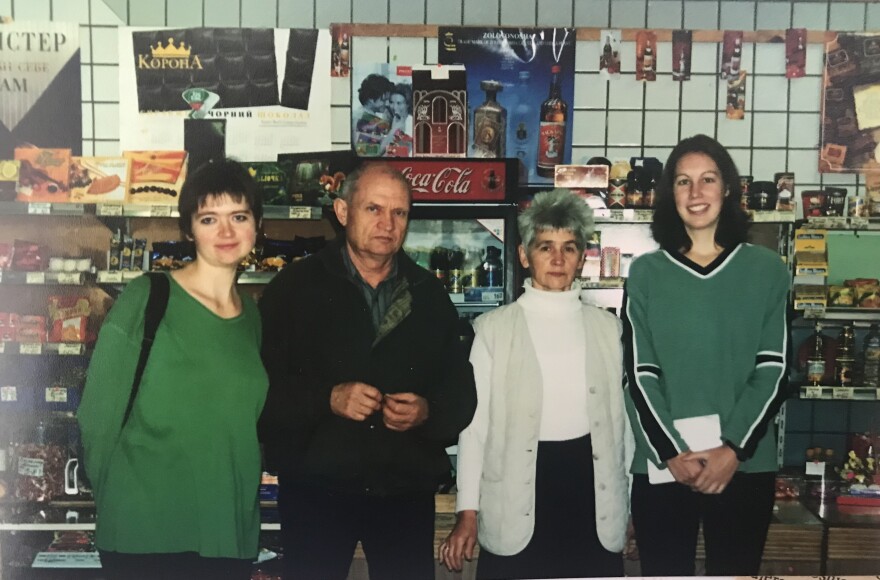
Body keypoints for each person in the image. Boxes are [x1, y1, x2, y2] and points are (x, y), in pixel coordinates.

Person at [259, 162, 477, 580]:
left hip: (403, 491)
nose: (387, 224)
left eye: (399, 213)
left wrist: (427, 412)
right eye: (373, 209)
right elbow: (261, 390)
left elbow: (461, 393)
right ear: (343, 212)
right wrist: (327, 398)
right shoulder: (294, 288)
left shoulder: (428, 294)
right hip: (315, 490)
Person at [77, 159, 267, 580]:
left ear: (257, 226)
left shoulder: (252, 318)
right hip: (145, 533)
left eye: (239, 216)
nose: (226, 232)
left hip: (228, 532)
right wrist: (117, 505)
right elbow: (96, 420)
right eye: (208, 218)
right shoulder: (148, 298)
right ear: (188, 229)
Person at [440, 189, 631, 580]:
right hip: (516, 495)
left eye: (569, 247)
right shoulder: (493, 331)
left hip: (592, 496)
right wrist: (468, 514)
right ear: (525, 255)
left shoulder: (609, 330)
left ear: (581, 257)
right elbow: (474, 433)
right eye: (545, 247)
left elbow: (621, 428)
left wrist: (626, 505)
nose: (558, 259)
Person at [622, 134, 790, 576]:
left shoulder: (768, 270)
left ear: (728, 189)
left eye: (707, 180)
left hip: (743, 464)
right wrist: (671, 451)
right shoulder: (646, 273)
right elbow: (640, 374)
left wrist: (732, 449)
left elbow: (773, 370)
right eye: (683, 182)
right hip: (665, 466)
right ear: (669, 194)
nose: (696, 194)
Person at [353, 73, 394, 156]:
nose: (387, 104)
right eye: (383, 100)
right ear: (371, 98)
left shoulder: (357, 114)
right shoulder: (367, 119)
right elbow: (367, 153)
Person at [382, 82, 413, 156]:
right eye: (391, 102)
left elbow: (394, 153)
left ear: (407, 104)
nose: (394, 107)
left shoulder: (411, 123)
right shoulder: (388, 121)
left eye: (399, 103)